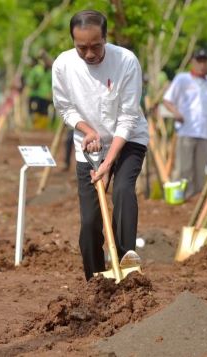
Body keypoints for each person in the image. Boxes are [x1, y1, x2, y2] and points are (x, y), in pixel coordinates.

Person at [52, 10, 149, 281]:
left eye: (96, 46)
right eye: (82, 47)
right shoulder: (63, 65)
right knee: (90, 220)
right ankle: (94, 279)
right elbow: (65, 108)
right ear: (73, 41)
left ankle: (125, 261)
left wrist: (108, 163)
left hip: (128, 140)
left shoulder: (126, 62)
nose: (90, 53)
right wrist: (87, 130)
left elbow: (129, 116)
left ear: (105, 38)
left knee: (122, 191)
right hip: (89, 146)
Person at [163, 49, 207, 198]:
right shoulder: (183, 79)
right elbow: (167, 100)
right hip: (186, 131)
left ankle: (196, 200)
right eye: (199, 61)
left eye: (205, 61)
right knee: (184, 168)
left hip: (204, 133)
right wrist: (176, 113)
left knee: (200, 170)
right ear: (193, 62)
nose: (202, 65)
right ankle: (180, 199)